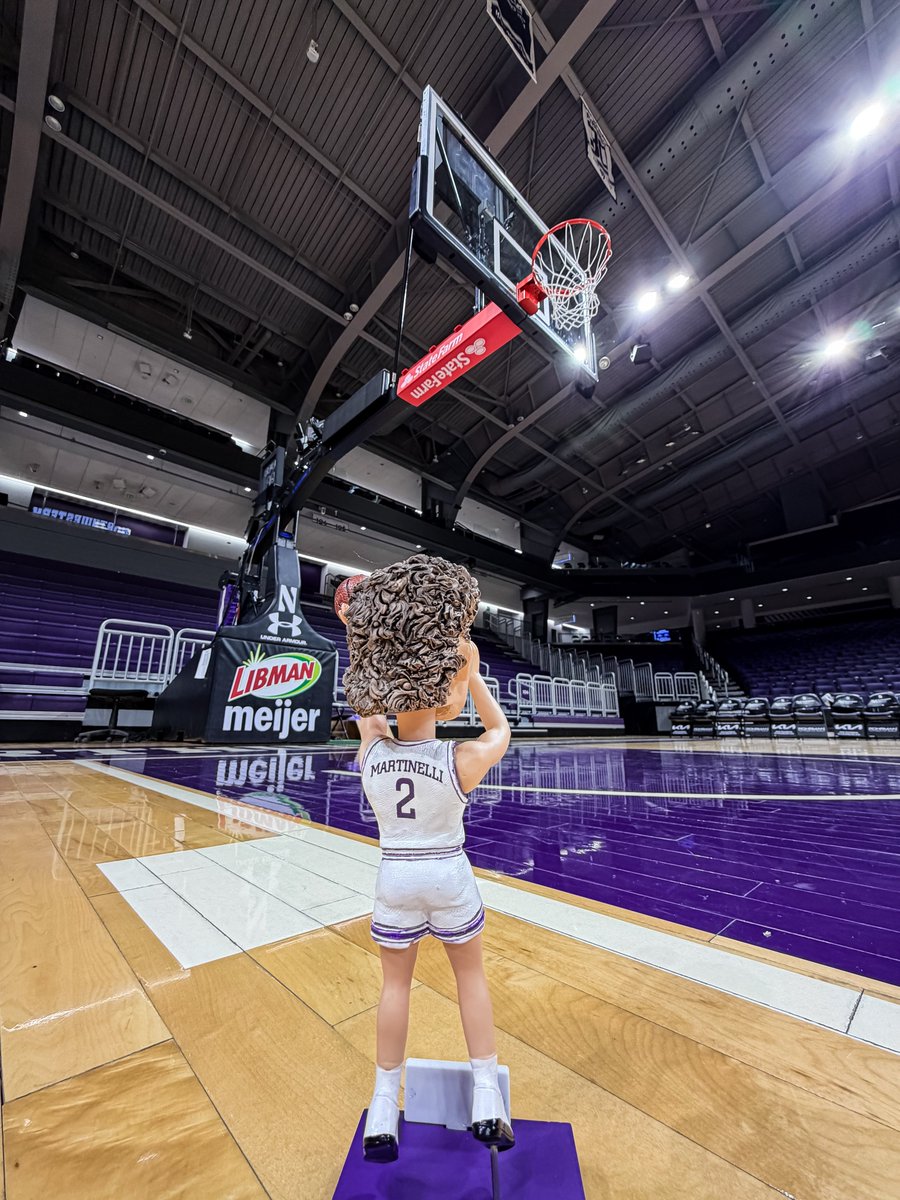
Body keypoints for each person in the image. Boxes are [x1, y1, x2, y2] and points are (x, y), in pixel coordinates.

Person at [338, 555, 513, 1163]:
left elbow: (367, 709)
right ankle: (487, 1096)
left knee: (395, 988)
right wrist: (472, 672)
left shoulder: (371, 755)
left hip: (394, 877)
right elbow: (501, 732)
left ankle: (385, 1104)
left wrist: (359, 632)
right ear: (444, 694)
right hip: (447, 874)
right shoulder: (459, 758)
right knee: (470, 976)